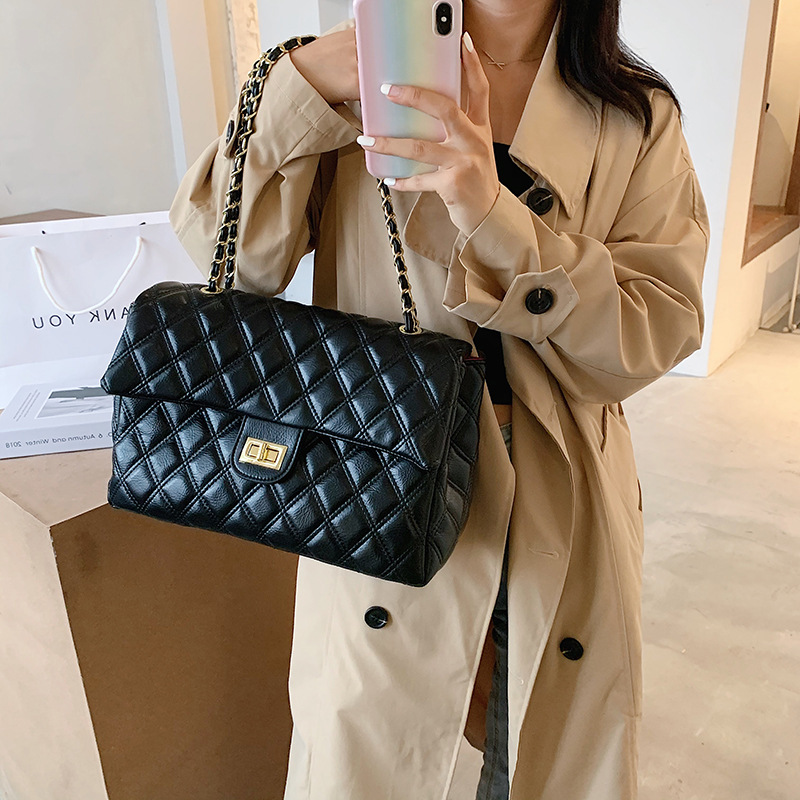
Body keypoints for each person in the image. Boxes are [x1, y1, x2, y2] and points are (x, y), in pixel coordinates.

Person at [169, 0, 710, 797]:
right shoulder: (357, 75)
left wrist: (496, 221)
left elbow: (655, 329)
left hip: (563, 497)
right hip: (381, 477)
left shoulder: (634, 112)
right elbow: (229, 260)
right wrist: (295, 88)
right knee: (370, 753)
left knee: (547, 759)